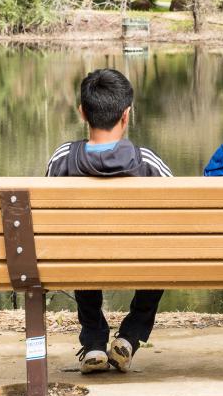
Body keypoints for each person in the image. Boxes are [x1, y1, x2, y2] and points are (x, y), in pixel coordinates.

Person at [46, 68, 172, 374]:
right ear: (126, 115)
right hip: (138, 262)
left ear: (82, 113)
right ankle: (130, 336)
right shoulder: (147, 161)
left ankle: (93, 341)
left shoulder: (62, 158)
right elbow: (179, 219)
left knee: (79, 250)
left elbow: (46, 222)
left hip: (81, 262)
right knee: (163, 255)